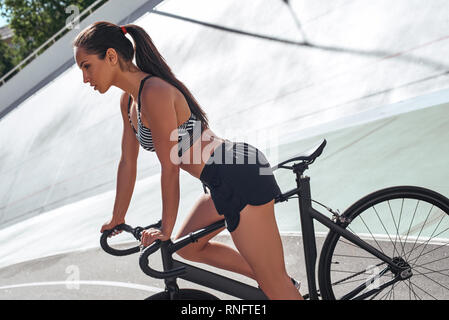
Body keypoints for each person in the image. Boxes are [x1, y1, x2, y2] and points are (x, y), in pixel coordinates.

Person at [73, 21, 302, 300]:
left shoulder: (154, 91)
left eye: (86, 66)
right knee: (188, 247)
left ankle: (276, 282)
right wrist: (117, 217)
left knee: (274, 285)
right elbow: (127, 162)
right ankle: (270, 275)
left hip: (236, 173)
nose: (85, 78)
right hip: (220, 177)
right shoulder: (129, 102)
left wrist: (164, 228)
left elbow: (170, 166)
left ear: (110, 56)